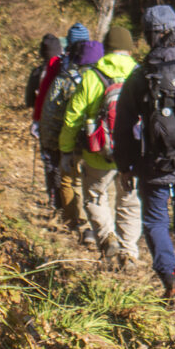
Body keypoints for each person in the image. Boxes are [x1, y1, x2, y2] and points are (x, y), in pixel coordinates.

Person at [115, 4, 175, 306]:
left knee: (156, 223)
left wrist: (125, 166)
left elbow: (124, 124)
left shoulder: (141, 75)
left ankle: (172, 280)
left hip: (153, 164)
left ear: (148, 36)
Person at [60, 22, 140, 265]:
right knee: (129, 200)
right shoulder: (140, 74)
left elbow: (73, 117)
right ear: (129, 48)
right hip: (133, 152)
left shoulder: (93, 76)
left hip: (97, 151)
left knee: (95, 197)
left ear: (106, 49)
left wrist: (65, 151)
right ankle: (129, 253)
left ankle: (107, 239)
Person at [35, 23, 95, 230]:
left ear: (68, 42)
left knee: (67, 177)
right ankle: (88, 223)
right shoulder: (100, 67)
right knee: (90, 182)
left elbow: (48, 102)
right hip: (96, 134)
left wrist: (45, 133)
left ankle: (71, 218)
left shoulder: (61, 67)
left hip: (65, 132)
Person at [28, 31, 64, 211]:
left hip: (44, 122)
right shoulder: (66, 69)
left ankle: (54, 198)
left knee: (50, 161)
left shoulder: (38, 72)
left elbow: (28, 100)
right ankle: (65, 202)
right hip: (66, 123)